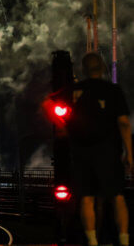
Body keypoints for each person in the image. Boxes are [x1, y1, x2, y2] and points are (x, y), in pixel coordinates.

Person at [67, 52, 132, 246]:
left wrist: (65, 128)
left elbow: (52, 106)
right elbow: (123, 123)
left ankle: (92, 241)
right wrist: (129, 152)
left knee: (87, 198)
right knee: (117, 197)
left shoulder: (75, 91)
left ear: (84, 70)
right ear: (103, 68)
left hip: (82, 153)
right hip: (109, 152)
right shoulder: (112, 90)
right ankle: (124, 239)